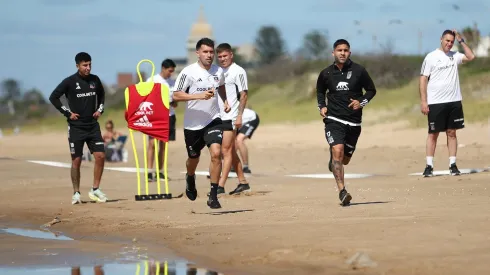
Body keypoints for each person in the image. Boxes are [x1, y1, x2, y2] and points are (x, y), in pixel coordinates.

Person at [316, 39, 377, 206]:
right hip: (334, 119)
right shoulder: (326, 73)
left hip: (354, 122)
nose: (342, 53)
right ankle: (342, 191)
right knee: (338, 150)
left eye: (345, 50)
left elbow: (371, 90)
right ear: (333, 53)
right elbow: (320, 91)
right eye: (339, 50)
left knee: (345, 159)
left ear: (349, 52)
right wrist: (322, 106)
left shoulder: (359, 71)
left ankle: (334, 160)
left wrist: (361, 102)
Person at [171, 37, 231, 209]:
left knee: (216, 152)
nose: (209, 55)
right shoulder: (188, 72)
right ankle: (190, 177)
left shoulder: (218, 71)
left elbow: (220, 86)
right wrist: (198, 96)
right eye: (205, 52)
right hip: (192, 125)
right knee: (193, 159)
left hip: (213, 119)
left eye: (212, 52)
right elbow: (176, 95)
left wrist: (225, 101)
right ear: (197, 53)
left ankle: (213, 194)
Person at [49, 52, 108, 205]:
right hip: (76, 127)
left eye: (90, 65)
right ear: (77, 66)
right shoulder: (69, 82)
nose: (88, 68)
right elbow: (53, 97)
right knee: (76, 160)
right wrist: (67, 113)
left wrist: (100, 109)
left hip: (93, 125)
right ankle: (76, 193)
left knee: (100, 156)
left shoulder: (95, 80)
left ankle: (95, 189)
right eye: (85, 65)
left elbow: (102, 95)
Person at [419, 29, 475, 177]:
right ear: (441, 39)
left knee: (452, 133)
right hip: (436, 102)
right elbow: (423, 78)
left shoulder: (455, 56)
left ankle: (452, 164)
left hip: (454, 101)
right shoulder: (431, 57)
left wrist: (461, 40)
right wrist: (424, 101)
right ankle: (429, 166)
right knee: (433, 134)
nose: (449, 44)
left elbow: (471, 56)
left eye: (452, 41)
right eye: (447, 41)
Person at [215, 43, 251, 196]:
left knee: (225, 150)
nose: (223, 59)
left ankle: (220, 185)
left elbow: (243, 95)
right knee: (229, 151)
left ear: (231, 55)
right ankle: (243, 182)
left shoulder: (238, 71)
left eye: (225, 56)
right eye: (220, 57)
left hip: (231, 116)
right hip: (218, 115)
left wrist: (239, 115)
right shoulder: (217, 71)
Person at [145, 59, 177, 181]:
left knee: (163, 145)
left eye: (172, 71)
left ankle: (160, 172)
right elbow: (146, 97)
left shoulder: (173, 82)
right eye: (169, 71)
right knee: (152, 144)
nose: (171, 74)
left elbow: (175, 99)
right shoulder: (152, 80)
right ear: (163, 68)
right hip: (155, 115)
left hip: (169, 115)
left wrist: (174, 102)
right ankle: (149, 171)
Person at [235, 107, 260, 174]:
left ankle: (246, 167)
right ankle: (232, 165)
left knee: (239, 140)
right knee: (232, 142)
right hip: (239, 123)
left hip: (251, 119)